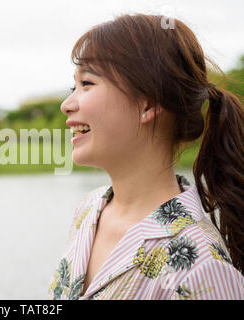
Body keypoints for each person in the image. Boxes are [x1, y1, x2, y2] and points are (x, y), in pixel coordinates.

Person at [47, 13, 244, 300]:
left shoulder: (202, 265)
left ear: (148, 102)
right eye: (72, 87)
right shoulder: (88, 211)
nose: (67, 105)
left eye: (87, 83)